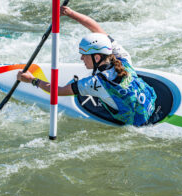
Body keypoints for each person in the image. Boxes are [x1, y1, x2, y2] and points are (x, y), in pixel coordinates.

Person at [17, 6, 157, 126]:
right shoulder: (123, 57)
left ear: (97, 57)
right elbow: (96, 29)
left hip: (134, 122)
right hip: (150, 105)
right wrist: (71, 13)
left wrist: (31, 80)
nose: (81, 58)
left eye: (84, 55)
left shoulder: (94, 83)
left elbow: (58, 91)